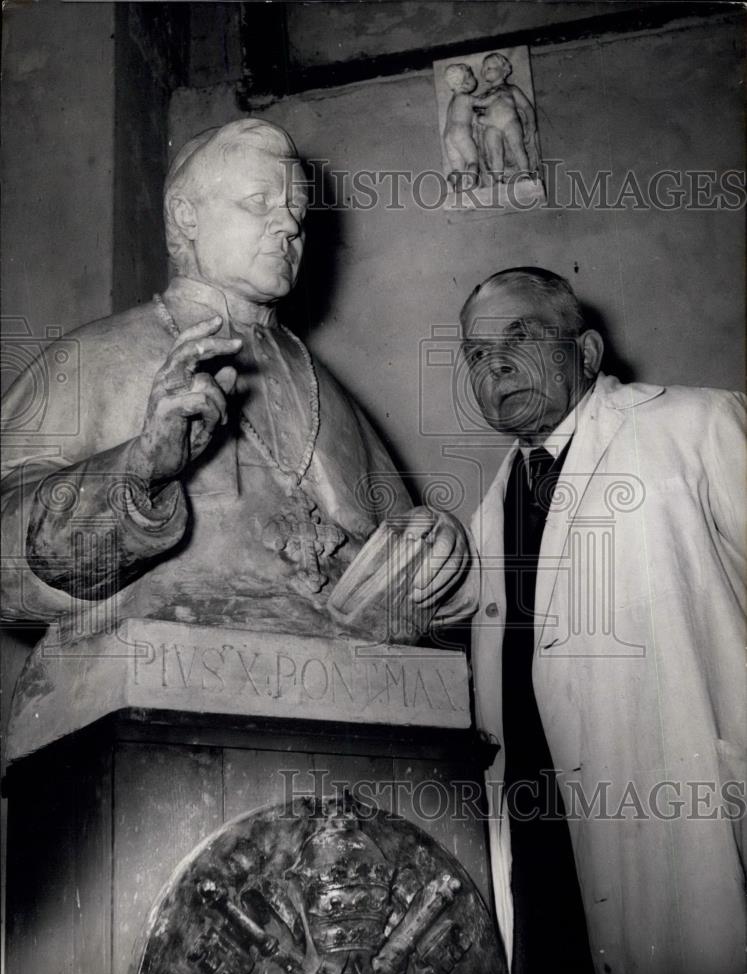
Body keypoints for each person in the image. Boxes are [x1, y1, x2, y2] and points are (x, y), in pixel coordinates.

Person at [0, 119, 471, 640]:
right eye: (259, 202)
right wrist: (137, 472)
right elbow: (7, 577)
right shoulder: (92, 359)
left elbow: (391, 553)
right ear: (187, 215)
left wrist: (435, 565)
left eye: (297, 211)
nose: (289, 226)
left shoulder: (327, 388)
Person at [458, 267, 745, 974]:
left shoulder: (695, 425)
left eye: (519, 337)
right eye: (475, 353)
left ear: (586, 353)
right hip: (536, 834)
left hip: (681, 811)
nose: (494, 365)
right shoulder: (488, 511)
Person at [472, 52, 540, 183]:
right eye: (484, 68)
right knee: (494, 152)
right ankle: (498, 180)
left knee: (517, 147)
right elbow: (474, 111)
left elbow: (526, 107)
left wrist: (531, 124)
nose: (485, 70)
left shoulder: (511, 89)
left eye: (490, 67)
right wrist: (478, 118)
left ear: (504, 70)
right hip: (492, 125)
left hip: (510, 122)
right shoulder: (484, 95)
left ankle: (525, 174)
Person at [442, 63, 480, 192]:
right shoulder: (466, 97)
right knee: (472, 160)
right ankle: (470, 183)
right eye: (471, 76)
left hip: (448, 137)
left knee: (457, 168)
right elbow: (484, 102)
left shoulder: (452, 102)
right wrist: (496, 96)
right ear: (465, 82)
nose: (474, 79)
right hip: (461, 134)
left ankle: (451, 183)